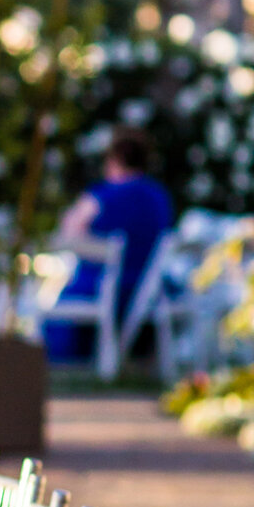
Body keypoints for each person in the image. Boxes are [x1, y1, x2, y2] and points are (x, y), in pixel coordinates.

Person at [43, 137, 177, 365]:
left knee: (66, 300)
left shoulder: (104, 194)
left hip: (106, 289)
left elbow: (68, 232)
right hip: (149, 291)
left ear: (115, 160)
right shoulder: (159, 197)